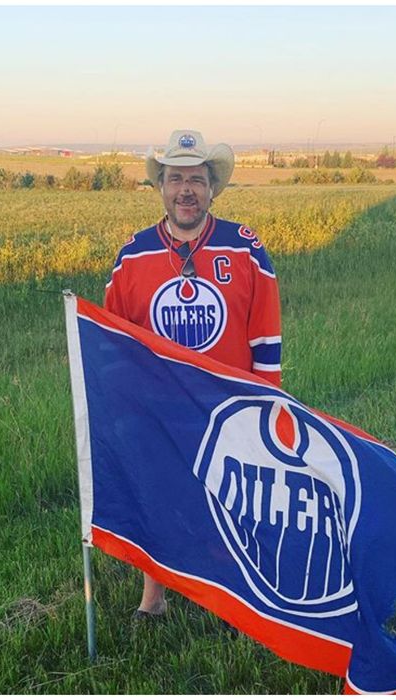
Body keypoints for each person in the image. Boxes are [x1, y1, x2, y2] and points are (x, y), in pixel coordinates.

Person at [104, 129, 282, 619]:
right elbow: (114, 339)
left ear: (212, 188)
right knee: (158, 496)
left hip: (228, 405)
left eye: (197, 180)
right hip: (159, 407)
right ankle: (154, 597)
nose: (187, 189)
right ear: (160, 187)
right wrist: (122, 400)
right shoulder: (132, 255)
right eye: (176, 179)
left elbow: (265, 335)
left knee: (231, 499)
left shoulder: (245, 248)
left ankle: (229, 594)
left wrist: (267, 403)